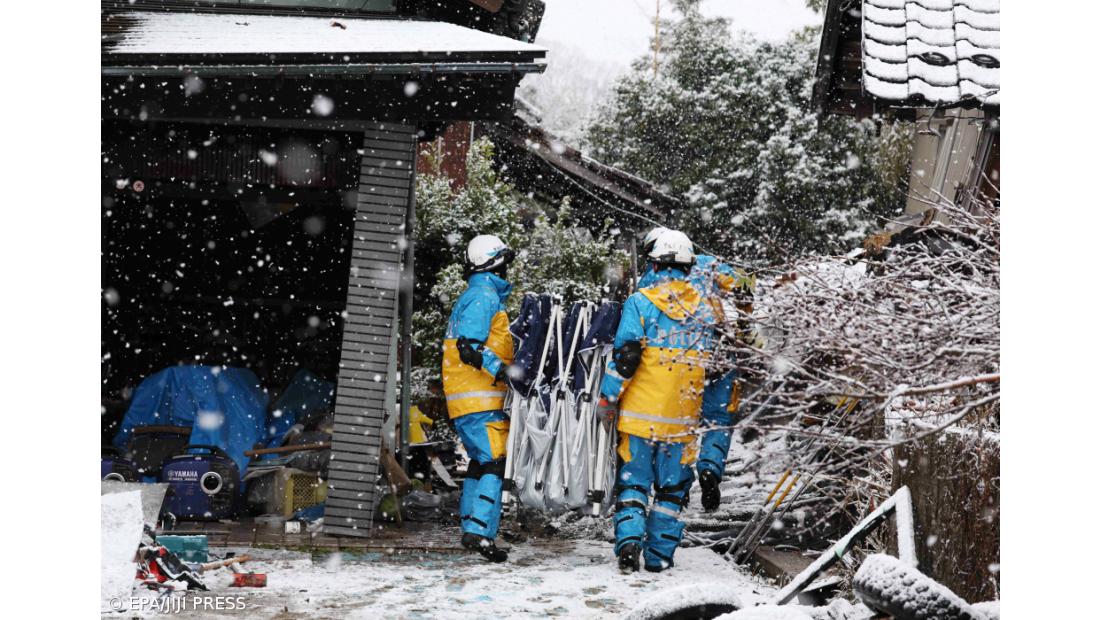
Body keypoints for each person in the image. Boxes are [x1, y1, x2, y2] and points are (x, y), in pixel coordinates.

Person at [598, 229, 718, 573]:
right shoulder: (706, 314)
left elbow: (627, 357)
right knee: (671, 491)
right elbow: (714, 372)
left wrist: (608, 396)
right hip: (681, 423)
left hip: (639, 417)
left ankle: (629, 542)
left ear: (654, 262)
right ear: (688, 266)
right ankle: (660, 556)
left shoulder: (640, 302)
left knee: (634, 483)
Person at [636, 229, 756, 511]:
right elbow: (745, 284)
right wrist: (744, 327)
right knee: (719, 419)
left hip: (677, 360)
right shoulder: (708, 264)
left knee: (680, 423)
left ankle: (678, 480)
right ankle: (710, 468)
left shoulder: (650, 280)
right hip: (718, 352)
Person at [441, 234, 516, 563]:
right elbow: (469, 347)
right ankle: (481, 533)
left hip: (466, 399)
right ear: (496, 264)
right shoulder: (484, 296)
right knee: (494, 462)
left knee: (479, 462)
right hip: (481, 398)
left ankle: (472, 528)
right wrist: (503, 372)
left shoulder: (472, 296)